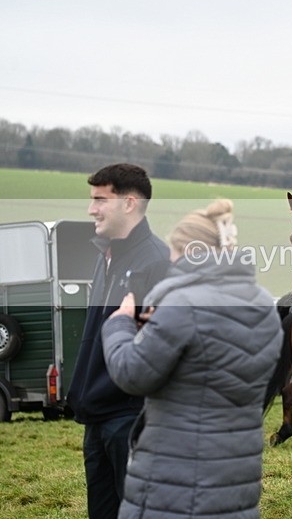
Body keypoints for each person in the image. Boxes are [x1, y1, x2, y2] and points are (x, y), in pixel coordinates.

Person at [101, 199, 286, 518]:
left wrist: (119, 323)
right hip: (236, 480)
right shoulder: (262, 306)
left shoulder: (182, 303)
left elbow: (133, 374)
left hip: (176, 483)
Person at [67, 163, 170, 519]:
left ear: (128, 203)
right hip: (97, 415)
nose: (91, 209)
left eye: (100, 200)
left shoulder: (157, 262)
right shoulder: (105, 257)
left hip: (131, 419)